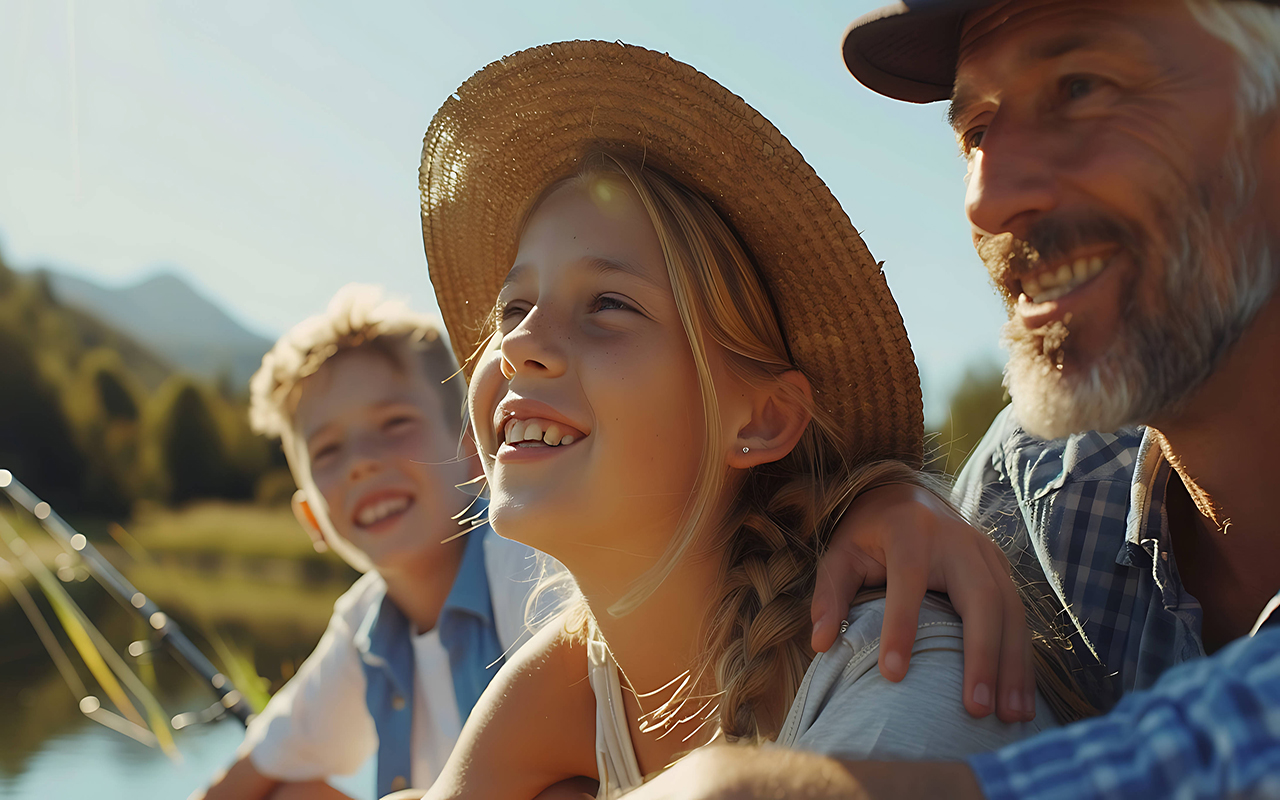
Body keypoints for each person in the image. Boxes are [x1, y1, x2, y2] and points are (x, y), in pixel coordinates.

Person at [627, 0, 1280, 796]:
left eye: (1080, 88)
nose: (985, 197)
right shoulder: (1032, 491)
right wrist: (890, 506)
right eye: (975, 130)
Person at [413, 41, 1095, 800]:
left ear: (764, 419)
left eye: (609, 305)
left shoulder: (899, 665)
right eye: (513, 308)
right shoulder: (569, 680)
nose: (518, 344)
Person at [195, 285, 551, 800]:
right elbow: (245, 775)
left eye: (394, 423)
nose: (362, 460)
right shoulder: (362, 625)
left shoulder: (530, 563)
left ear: (477, 451)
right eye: (329, 449)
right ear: (311, 518)